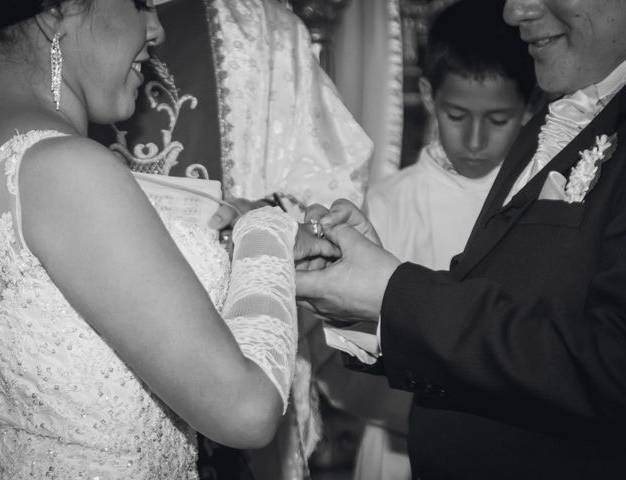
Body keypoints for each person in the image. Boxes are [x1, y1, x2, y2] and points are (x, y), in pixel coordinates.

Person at [0, 1, 336, 478]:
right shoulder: (69, 171)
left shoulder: (8, 157)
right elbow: (246, 412)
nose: (155, 29)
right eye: (139, 2)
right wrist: (267, 232)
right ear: (57, 10)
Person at [297, 0, 626, 478]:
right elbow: (512, 294)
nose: (514, 12)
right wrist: (367, 285)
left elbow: (611, 365)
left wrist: (394, 292)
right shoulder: (557, 121)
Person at [88, 1, 373, 478]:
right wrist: (266, 231)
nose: (152, 29)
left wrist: (274, 218)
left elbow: (331, 187)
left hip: (230, 376)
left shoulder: (264, 30)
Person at [333, 1, 535, 478]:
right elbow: (351, 346)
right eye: (457, 115)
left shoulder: (537, 202)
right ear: (427, 94)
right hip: (401, 444)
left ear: (529, 108)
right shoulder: (385, 204)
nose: (475, 140)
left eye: (499, 120)